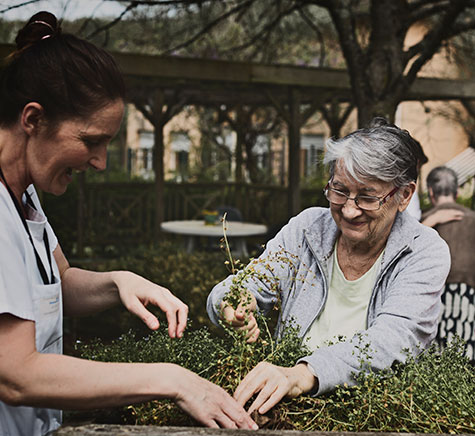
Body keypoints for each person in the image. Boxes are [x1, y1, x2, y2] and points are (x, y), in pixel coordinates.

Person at [0, 11, 257, 436]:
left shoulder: (24, 193)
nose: (100, 162)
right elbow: (15, 374)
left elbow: (54, 284)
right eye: (91, 141)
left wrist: (120, 281)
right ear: (33, 119)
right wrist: (172, 380)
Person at [207, 117, 451, 416]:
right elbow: (249, 282)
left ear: (404, 195)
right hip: (290, 410)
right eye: (339, 191)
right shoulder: (308, 228)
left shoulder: (424, 251)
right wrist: (232, 302)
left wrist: (303, 374)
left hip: (374, 415)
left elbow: (394, 340)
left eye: (367, 197)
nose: (349, 209)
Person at [422, 166, 475, 361]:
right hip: (469, 296)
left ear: (430, 192)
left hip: (434, 297)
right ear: (457, 192)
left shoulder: (424, 222)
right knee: (466, 357)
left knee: (436, 357)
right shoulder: (472, 219)